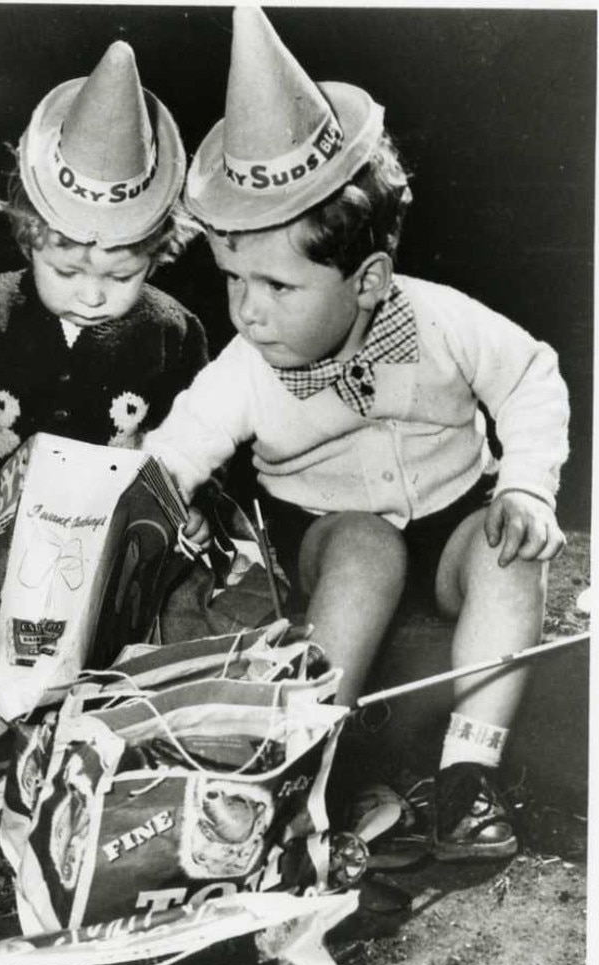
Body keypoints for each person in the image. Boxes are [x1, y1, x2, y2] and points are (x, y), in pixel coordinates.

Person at [143, 8, 570, 861]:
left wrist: (525, 483)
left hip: (454, 518)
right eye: (231, 279)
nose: (247, 310)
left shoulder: (439, 320)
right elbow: (172, 454)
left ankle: (467, 774)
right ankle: (305, 766)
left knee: (512, 552)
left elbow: (529, 375)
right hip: (330, 536)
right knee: (369, 548)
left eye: (276, 285)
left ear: (367, 278)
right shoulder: (245, 367)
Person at [0, 40, 209, 785]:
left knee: (185, 581)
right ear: (29, 234)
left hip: (99, 560)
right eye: (66, 270)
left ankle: (124, 729)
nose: (93, 294)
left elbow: (201, 443)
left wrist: (191, 502)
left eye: (121, 275)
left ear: (158, 253)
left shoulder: (174, 334)